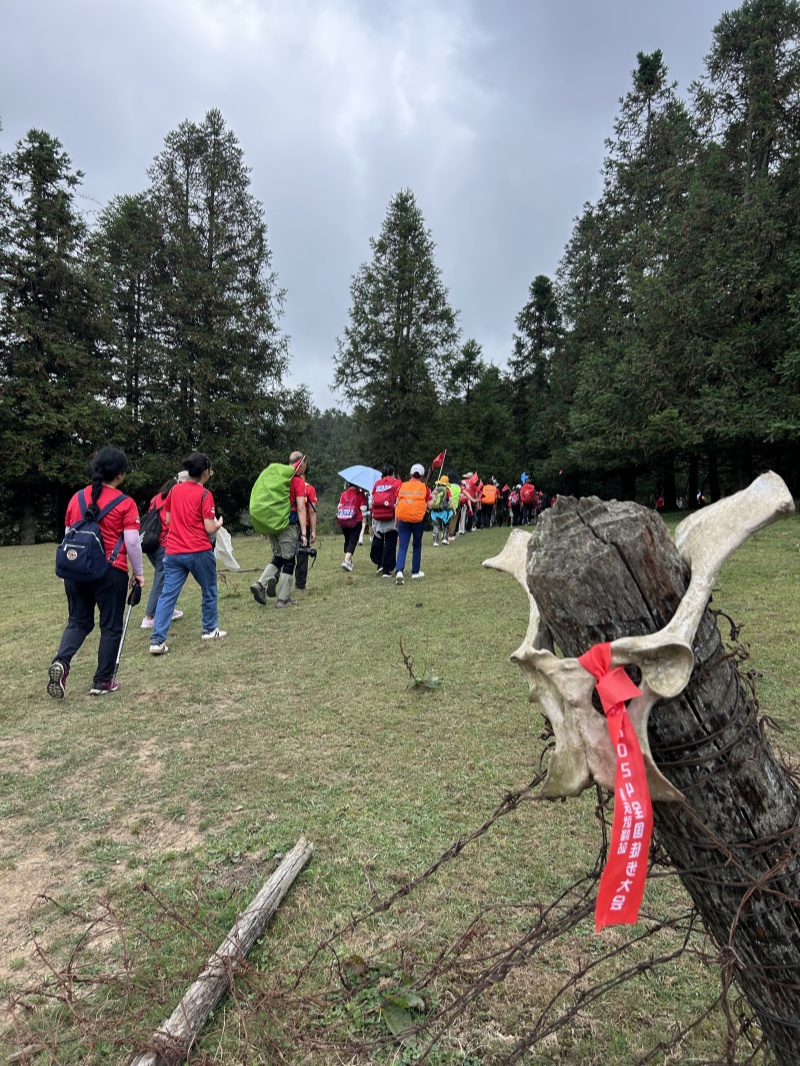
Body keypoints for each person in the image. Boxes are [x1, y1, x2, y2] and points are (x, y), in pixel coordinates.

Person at [48, 447, 144, 698]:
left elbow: (68, 535)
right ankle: (102, 680)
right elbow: (132, 542)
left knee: (78, 621)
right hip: (110, 571)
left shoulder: (76, 498)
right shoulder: (126, 503)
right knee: (111, 626)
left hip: (75, 570)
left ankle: (61, 662)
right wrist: (139, 572)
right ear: (120, 475)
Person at [148, 452, 225, 655]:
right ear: (206, 472)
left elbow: (167, 520)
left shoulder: (174, 491)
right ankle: (210, 629)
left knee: (168, 595)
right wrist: (218, 523)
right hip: (199, 551)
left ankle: (157, 641)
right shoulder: (205, 495)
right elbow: (209, 528)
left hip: (173, 551)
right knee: (209, 589)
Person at [249, 451, 310, 608]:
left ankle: (259, 584)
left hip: (273, 524)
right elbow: (301, 507)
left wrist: (265, 526)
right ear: (301, 463)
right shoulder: (297, 481)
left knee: (279, 557)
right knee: (289, 561)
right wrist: (304, 533)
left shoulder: (277, 478)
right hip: (287, 525)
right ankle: (283, 599)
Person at [140, 477, 184, 629]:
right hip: (164, 544)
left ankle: (168, 609)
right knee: (161, 578)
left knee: (167, 577)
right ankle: (149, 616)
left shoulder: (155, 499)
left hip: (151, 544)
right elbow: (172, 521)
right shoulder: (173, 499)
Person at [394, 463, 433, 585]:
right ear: (422, 475)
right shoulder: (425, 488)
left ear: (411, 474)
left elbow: (397, 503)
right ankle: (415, 572)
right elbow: (430, 505)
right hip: (417, 520)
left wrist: (396, 520)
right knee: (417, 545)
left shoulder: (402, 486)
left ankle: (399, 571)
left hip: (403, 519)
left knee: (402, 546)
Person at [369, 464, 402, 576]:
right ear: (393, 473)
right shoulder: (397, 483)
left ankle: (379, 563)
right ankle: (387, 569)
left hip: (378, 516)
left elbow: (372, 499)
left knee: (378, 538)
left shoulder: (377, 483)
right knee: (390, 542)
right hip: (391, 516)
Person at [337, 481, 368, 571]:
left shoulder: (343, 494)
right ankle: (346, 560)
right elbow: (363, 509)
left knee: (347, 540)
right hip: (356, 521)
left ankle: (349, 561)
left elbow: (339, 507)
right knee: (353, 541)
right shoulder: (360, 494)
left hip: (344, 521)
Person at [294, 474, 317, 591]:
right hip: (303, 526)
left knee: (283, 555)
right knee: (302, 555)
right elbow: (312, 511)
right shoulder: (309, 489)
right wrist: (313, 530)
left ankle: (275, 577)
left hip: (286, 525)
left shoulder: (286, 487)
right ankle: (300, 585)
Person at [430, 475, 454, 546]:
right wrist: (454, 509)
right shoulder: (447, 490)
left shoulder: (436, 489)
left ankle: (435, 542)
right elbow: (451, 500)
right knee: (446, 525)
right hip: (444, 510)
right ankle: (444, 539)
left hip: (435, 510)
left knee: (435, 526)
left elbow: (431, 497)